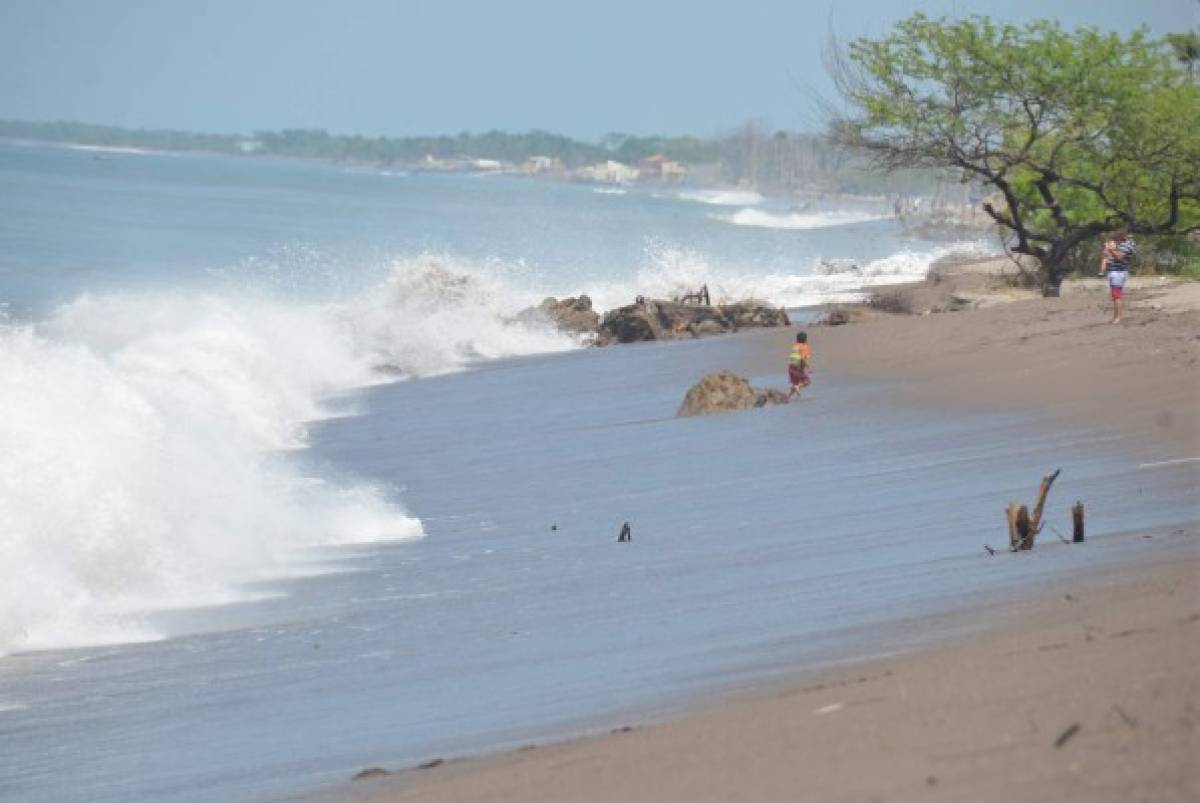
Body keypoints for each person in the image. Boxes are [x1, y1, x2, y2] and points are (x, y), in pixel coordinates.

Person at [1098, 229, 1136, 324]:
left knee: (1116, 295)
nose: (1116, 234)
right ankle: (1116, 316)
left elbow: (1119, 257)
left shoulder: (1127, 244)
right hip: (1114, 271)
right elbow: (1107, 256)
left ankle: (1118, 317)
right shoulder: (1119, 243)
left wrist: (1110, 249)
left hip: (1118, 272)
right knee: (1115, 295)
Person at [787, 331, 811, 401]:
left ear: (797, 339)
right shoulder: (805, 347)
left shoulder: (795, 346)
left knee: (795, 384)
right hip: (798, 368)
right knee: (807, 381)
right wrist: (808, 368)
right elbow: (803, 358)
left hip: (790, 368)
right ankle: (797, 387)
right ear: (806, 340)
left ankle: (788, 397)